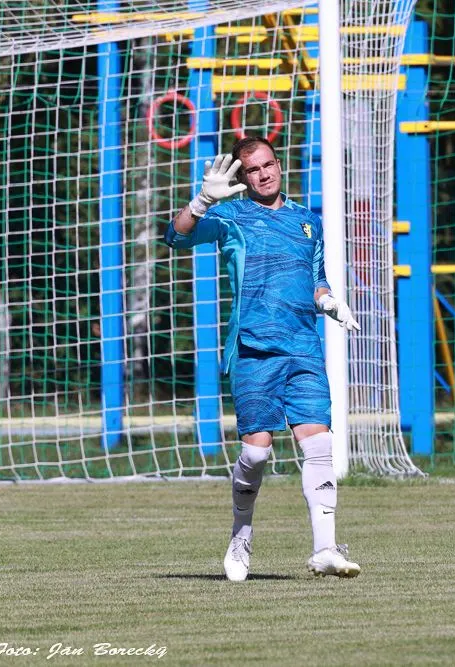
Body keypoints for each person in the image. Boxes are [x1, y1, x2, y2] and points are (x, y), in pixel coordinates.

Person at [163, 136, 362, 582]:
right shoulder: (229, 217)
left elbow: (317, 280)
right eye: (253, 169)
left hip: (303, 348)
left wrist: (330, 302)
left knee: (319, 444)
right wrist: (201, 202)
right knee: (255, 455)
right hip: (254, 349)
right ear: (244, 177)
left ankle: (325, 549)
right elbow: (175, 237)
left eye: (268, 164)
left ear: (279, 165)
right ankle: (240, 536)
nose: (264, 174)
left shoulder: (307, 221)